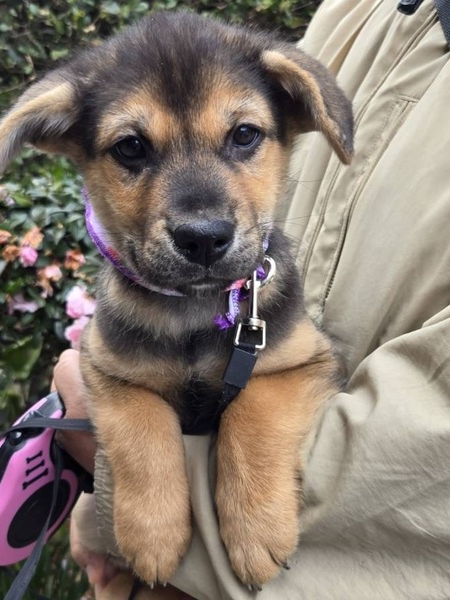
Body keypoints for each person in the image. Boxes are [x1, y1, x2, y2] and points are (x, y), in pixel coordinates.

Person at [54, 0, 450, 597]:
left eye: (242, 137)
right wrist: (131, 470)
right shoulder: (361, 11)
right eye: (133, 149)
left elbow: (306, 367)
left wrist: (249, 453)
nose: (202, 219)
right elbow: (109, 375)